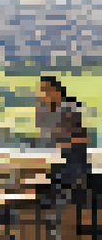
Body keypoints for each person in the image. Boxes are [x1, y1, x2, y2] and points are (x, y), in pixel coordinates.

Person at [35, 75, 90, 204]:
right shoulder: (45, 108)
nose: (44, 94)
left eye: (46, 90)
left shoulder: (70, 108)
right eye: (42, 90)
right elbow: (44, 132)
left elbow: (82, 138)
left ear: (56, 90)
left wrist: (64, 143)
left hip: (71, 160)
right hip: (55, 156)